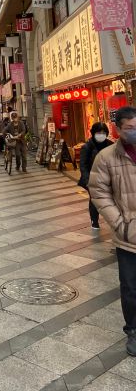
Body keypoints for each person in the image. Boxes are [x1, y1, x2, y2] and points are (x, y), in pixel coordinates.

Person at [89, 106, 136, 357]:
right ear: (119, 129)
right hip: (128, 236)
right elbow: (98, 191)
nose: (135, 132)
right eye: (130, 128)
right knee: (130, 287)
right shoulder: (106, 157)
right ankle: (133, 330)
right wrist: (119, 222)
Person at [78, 122, 113, 229]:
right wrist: (88, 180)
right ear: (93, 133)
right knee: (94, 199)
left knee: (111, 199)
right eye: (98, 132)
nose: (101, 135)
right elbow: (83, 165)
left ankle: (113, 220)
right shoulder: (87, 147)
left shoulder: (111, 145)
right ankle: (94, 220)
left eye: (103, 132)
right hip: (92, 178)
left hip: (108, 178)